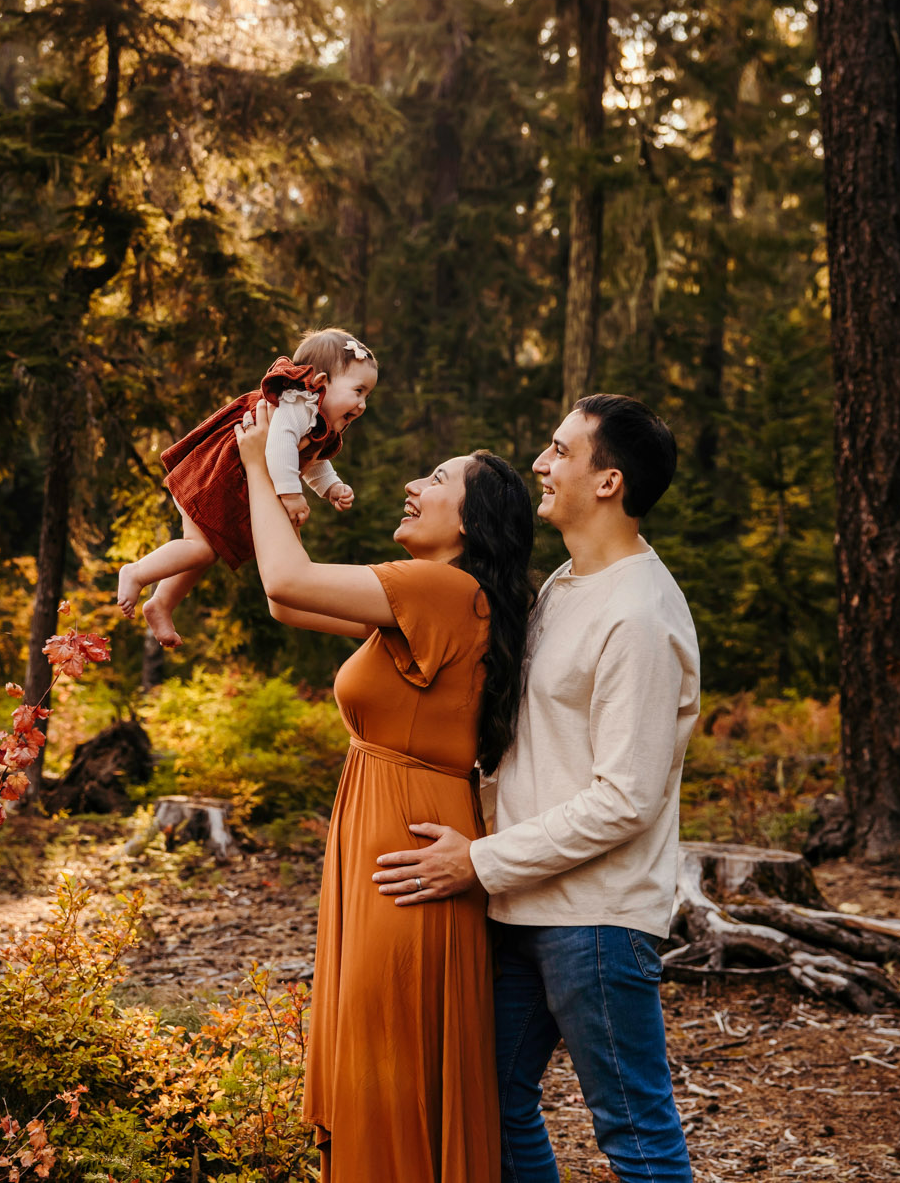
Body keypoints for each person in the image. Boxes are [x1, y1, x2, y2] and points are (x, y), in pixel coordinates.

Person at [372, 393, 702, 1183]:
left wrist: (479, 861)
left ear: (608, 482)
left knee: (634, 1135)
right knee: (495, 1104)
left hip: (595, 919)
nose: (541, 465)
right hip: (522, 902)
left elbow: (626, 797)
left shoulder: (642, 615)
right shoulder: (562, 585)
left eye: (560, 451)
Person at [232, 396, 536, 1183]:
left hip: (403, 845)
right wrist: (275, 474)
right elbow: (283, 598)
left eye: (436, 478)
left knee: (386, 1058)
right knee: (385, 1053)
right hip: (392, 827)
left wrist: (260, 466)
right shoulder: (435, 600)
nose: (413, 483)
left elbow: (285, 574)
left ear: (472, 521)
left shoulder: (438, 590)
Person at [116, 328, 377, 647]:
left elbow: (312, 458)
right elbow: (280, 448)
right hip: (213, 477)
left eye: (367, 396)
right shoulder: (297, 404)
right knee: (199, 548)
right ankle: (137, 573)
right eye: (358, 391)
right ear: (321, 383)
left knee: (205, 551)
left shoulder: (314, 419)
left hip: (226, 481)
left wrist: (331, 487)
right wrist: (291, 495)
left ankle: (162, 603)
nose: (363, 404)